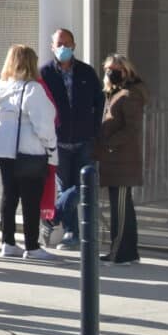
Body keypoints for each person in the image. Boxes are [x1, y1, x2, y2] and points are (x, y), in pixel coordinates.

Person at [0, 44, 58, 261]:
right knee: (31, 198)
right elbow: (44, 125)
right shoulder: (32, 89)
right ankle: (31, 245)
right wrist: (52, 148)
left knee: (9, 195)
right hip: (29, 149)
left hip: (3, 148)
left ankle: (7, 242)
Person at [41, 28, 105, 252]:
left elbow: (99, 102)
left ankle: (56, 216)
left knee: (83, 187)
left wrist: (94, 129)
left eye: (67, 43)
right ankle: (71, 233)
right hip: (59, 142)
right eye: (59, 44)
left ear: (74, 45)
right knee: (64, 187)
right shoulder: (45, 73)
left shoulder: (87, 72)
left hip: (84, 139)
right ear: (52, 47)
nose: (63, 48)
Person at [98, 54, 148, 264]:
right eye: (108, 68)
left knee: (120, 210)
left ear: (126, 70)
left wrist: (108, 143)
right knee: (123, 207)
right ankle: (129, 252)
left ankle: (120, 252)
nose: (111, 72)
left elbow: (131, 129)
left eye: (116, 68)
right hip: (115, 160)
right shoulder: (115, 93)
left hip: (122, 160)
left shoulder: (129, 94)